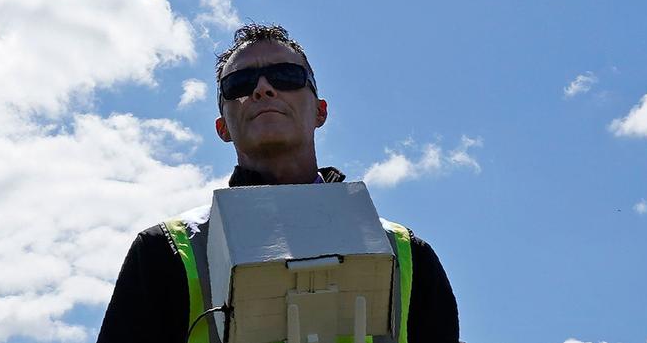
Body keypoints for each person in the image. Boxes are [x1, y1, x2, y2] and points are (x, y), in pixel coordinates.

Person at [96, 23, 460, 343]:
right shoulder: (164, 252)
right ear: (222, 128)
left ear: (321, 111)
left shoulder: (408, 254)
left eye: (285, 76)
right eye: (239, 84)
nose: (264, 89)